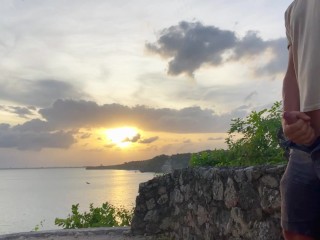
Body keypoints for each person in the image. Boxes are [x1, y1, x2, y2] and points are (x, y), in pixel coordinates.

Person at [281, 0, 320, 239]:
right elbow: (292, 70)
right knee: (295, 231)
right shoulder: (293, 9)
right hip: (305, 145)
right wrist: (289, 121)